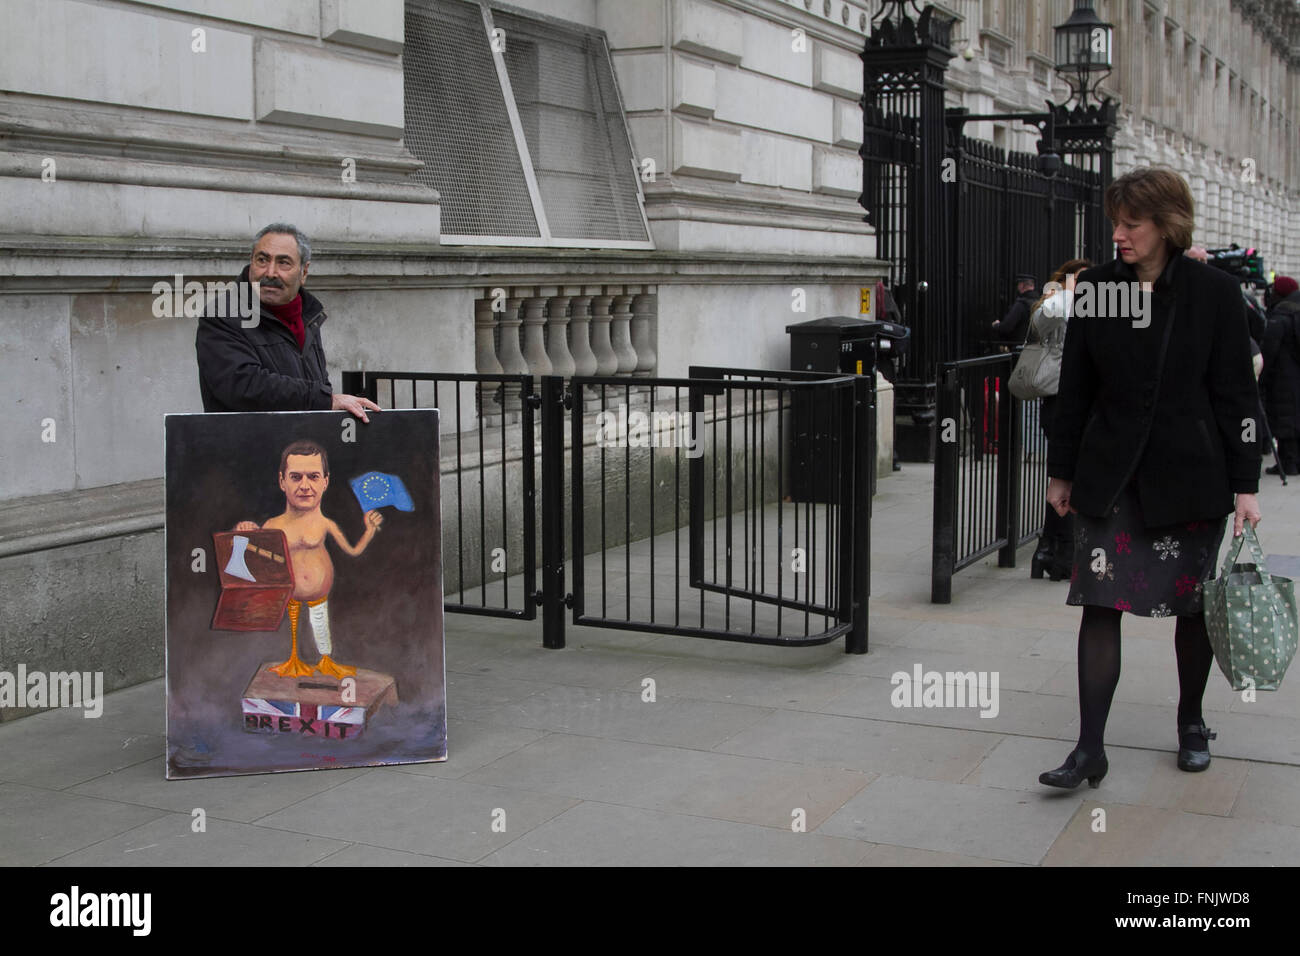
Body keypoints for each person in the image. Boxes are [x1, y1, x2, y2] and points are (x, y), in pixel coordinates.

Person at [1040, 167, 1262, 789]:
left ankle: (1191, 722)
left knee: (1191, 608)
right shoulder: (1097, 290)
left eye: (1131, 223)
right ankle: (1089, 748)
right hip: (1110, 477)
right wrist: (1060, 472)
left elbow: (1237, 397)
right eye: (1115, 221)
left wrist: (1246, 486)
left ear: (1167, 224)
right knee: (1099, 603)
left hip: (1190, 478)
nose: (1118, 234)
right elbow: (1075, 389)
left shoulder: (1214, 293)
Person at [196, 223, 380, 421]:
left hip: (304, 444)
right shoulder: (223, 315)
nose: (270, 272)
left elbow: (318, 383)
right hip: (247, 446)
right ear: (251, 263)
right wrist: (324, 400)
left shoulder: (309, 316)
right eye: (262, 260)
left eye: (283, 262)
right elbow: (242, 386)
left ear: (304, 272)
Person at [233, 440, 383, 679]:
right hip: (289, 593)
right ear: (282, 481)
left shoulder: (325, 523)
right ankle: (293, 658)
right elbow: (254, 565)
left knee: (320, 624)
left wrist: (370, 530)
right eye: (296, 477)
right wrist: (246, 532)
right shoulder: (273, 525)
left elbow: (353, 551)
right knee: (293, 623)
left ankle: (326, 660)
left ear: (325, 481)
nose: (305, 486)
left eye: (313, 476)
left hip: (319, 593)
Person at [1026, 258, 1092, 581]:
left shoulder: (1094, 308)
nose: (1083, 286)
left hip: (1079, 402)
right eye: (1078, 280)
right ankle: (1062, 554)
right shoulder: (1053, 305)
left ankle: (1048, 551)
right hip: (1057, 401)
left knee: (1065, 479)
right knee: (1066, 477)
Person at [1261, 276, 1300, 475]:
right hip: (1294, 374)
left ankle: (1288, 463)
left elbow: (1268, 349)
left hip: (1283, 376)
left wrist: (1261, 372)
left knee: (1285, 418)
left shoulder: (1281, 315)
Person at [991, 273, 1037, 344]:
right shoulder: (1040, 303)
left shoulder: (1021, 304)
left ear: (1021, 285)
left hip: (1021, 349)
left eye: (1018, 284)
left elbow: (1006, 327)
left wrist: (996, 325)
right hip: (1038, 348)